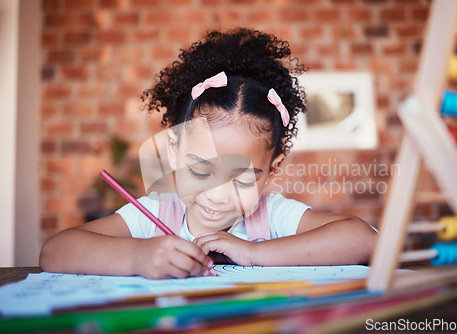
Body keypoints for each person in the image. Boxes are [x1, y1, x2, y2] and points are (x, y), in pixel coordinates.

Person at [40, 28, 377, 279]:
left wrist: (253, 253)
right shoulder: (157, 212)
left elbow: (363, 239)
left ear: (272, 172)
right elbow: (55, 252)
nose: (217, 197)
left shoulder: (270, 215)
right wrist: (138, 256)